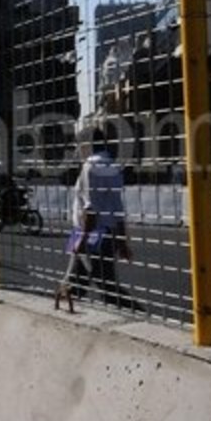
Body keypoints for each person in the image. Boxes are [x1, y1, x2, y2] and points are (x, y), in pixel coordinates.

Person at [56, 126, 132, 312]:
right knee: (85, 282)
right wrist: (121, 240)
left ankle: (138, 314)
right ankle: (66, 305)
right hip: (107, 233)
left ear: (87, 145)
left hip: (91, 235)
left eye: (78, 145)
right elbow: (117, 207)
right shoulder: (112, 165)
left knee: (102, 286)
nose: (77, 150)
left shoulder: (90, 166)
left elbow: (90, 208)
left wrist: (82, 239)